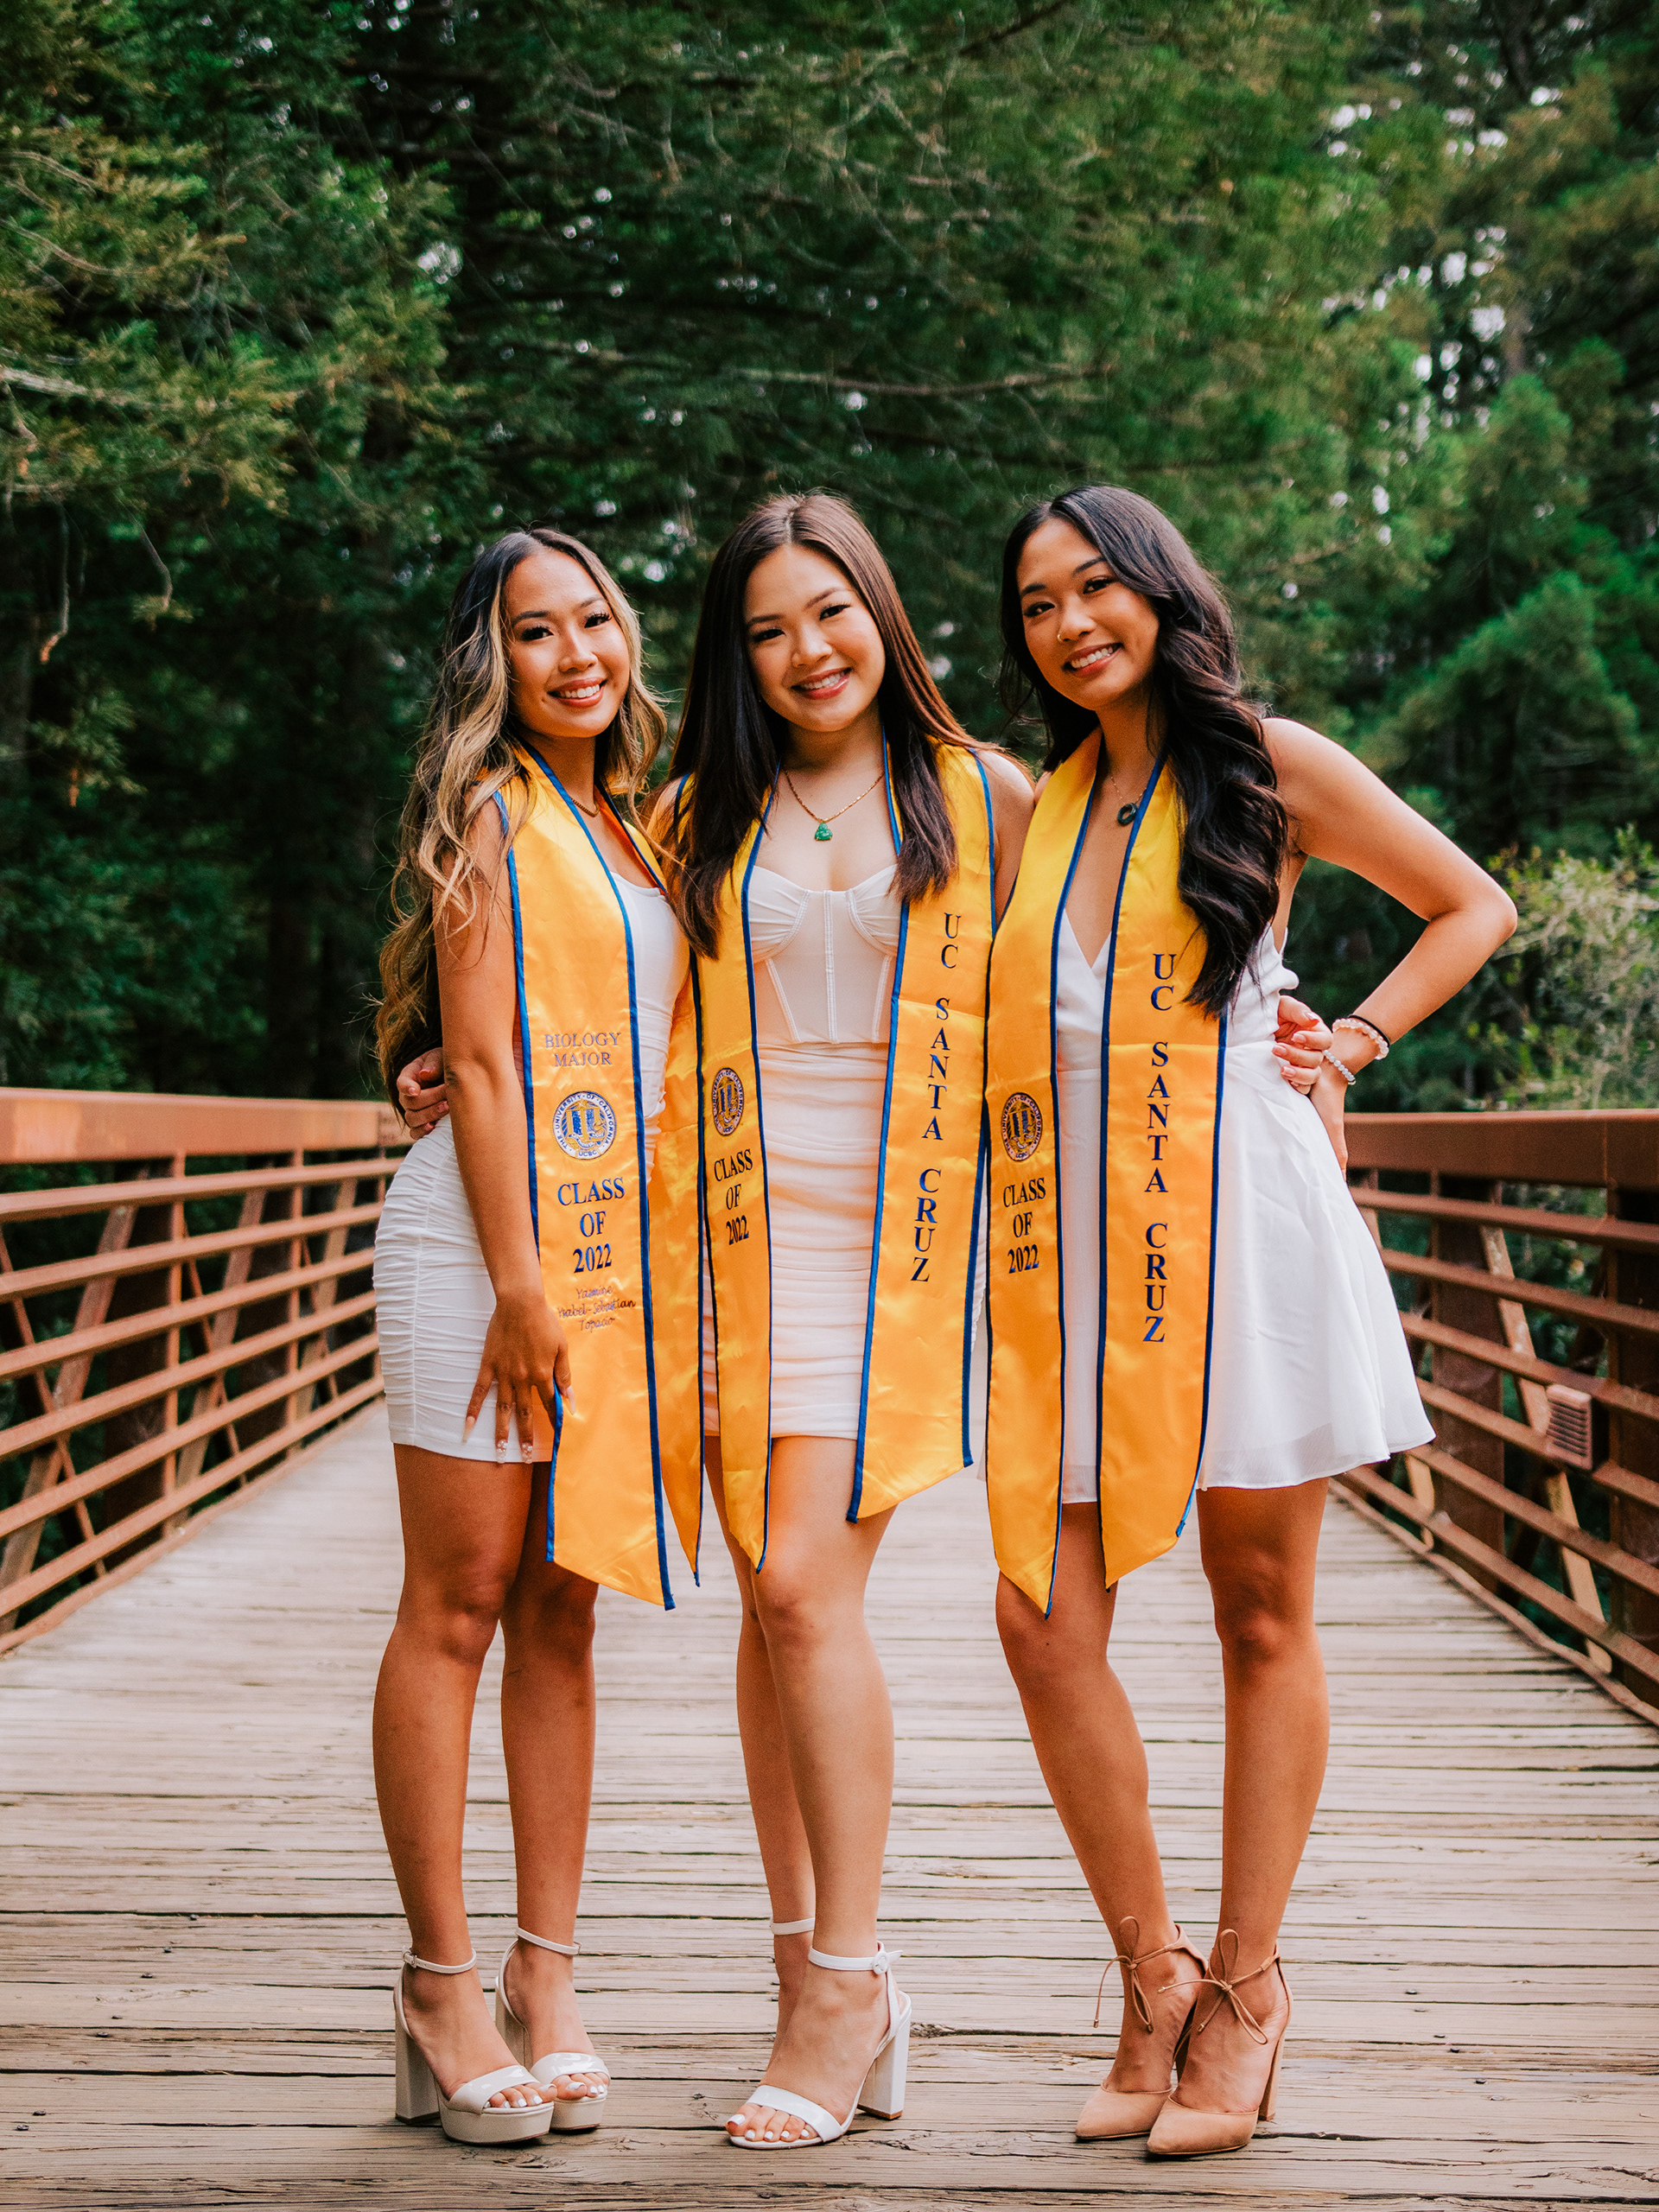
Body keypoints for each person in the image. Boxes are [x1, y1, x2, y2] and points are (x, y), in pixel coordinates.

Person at [983, 486, 1515, 2159]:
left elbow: (1473, 904)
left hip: (1243, 1222)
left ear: (1160, 590)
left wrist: (1350, 1040)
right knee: (1040, 1613)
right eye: (1036, 605)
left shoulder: (1267, 764)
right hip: (1076, 1253)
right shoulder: (1036, 809)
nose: (1071, 625)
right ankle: (1152, 1977)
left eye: (1095, 588)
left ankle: (1248, 1988)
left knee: (1259, 1611)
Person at [655, 491, 1032, 2148]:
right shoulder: (696, 812)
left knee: (806, 1588)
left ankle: (846, 1981)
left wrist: (1301, 1032)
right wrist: (423, 1052)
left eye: (831, 612)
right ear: (735, 657)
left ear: (882, 611)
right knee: (769, 1606)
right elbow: (587, 985)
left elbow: (1110, 959)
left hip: (904, 1250)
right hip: (733, 1242)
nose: (808, 650)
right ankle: (804, 1957)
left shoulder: (982, 794)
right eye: (767, 629)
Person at [372, 527, 699, 2145]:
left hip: (616, 1260)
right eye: (536, 631)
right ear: (488, 661)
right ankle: (438, 1986)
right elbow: (487, 1061)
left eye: (596, 621)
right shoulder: (491, 812)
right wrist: (518, 1286)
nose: (579, 655)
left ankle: (543, 1973)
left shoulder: (643, 825)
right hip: (488, 1257)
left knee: (564, 1609)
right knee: (459, 1603)